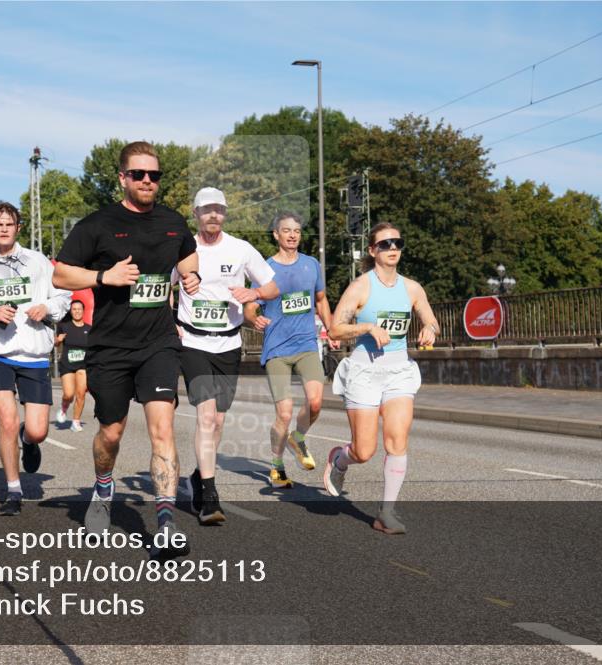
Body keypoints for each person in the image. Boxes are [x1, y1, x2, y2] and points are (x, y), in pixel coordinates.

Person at [53, 141, 200, 557]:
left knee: (163, 429)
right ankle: (103, 489)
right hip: (111, 347)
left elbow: (187, 257)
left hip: (159, 342)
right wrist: (104, 277)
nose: (148, 181)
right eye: (139, 174)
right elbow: (61, 275)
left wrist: (190, 276)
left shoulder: (172, 222)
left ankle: (166, 522)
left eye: (154, 175)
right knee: (111, 433)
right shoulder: (98, 224)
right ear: (123, 178)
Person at [0, 203, 71, 514]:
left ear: (18, 228)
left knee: (37, 430)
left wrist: (47, 308)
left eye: (9, 224)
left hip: (33, 355)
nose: (4, 229)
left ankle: (27, 441)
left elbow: (63, 296)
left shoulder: (38, 261)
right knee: (7, 420)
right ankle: (13, 490)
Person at [324, 222, 439, 534]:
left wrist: (429, 329)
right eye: (385, 244)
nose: (392, 249)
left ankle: (386, 513)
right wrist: (367, 327)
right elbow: (335, 328)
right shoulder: (361, 287)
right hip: (365, 371)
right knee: (364, 451)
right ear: (372, 250)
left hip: (399, 371)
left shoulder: (412, 288)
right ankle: (340, 460)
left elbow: (431, 320)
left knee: (397, 441)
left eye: (397, 243)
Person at [176, 187, 278, 525]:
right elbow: (162, 286)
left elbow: (273, 286)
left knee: (218, 420)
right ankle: (209, 495)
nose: (213, 215)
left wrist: (255, 292)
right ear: (195, 214)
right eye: (206, 209)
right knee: (206, 417)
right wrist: (169, 321)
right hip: (193, 341)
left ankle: (198, 476)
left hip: (229, 343)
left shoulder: (241, 249)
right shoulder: (184, 250)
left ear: (225, 213)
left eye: (218, 209)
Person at [243, 213, 338, 488]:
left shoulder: (311, 264)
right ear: (276, 234)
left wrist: (331, 329)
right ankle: (276, 465)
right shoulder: (265, 269)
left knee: (316, 402)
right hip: (277, 349)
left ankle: (298, 438)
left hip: (307, 344)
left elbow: (321, 300)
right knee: (284, 413)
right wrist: (254, 319)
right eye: (286, 230)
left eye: (296, 230)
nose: (293, 235)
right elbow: (250, 307)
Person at [54, 299, 90, 432]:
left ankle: (75, 422)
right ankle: (64, 408)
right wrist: (58, 340)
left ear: (83, 311)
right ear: (71, 311)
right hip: (67, 365)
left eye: (79, 309)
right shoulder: (64, 326)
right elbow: (55, 343)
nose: (77, 311)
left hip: (83, 366)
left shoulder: (89, 329)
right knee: (69, 394)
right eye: (74, 309)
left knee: (81, 394)